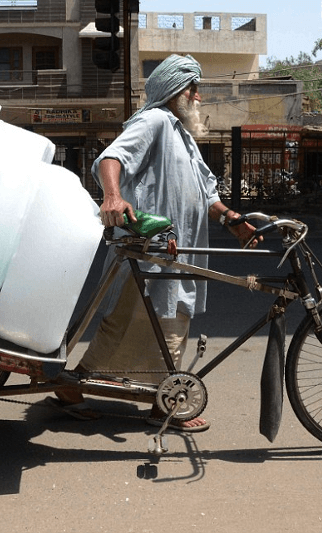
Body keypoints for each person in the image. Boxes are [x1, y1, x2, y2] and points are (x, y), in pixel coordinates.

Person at [49, 54, 260, 432]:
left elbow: (206, 193)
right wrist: (112, 196)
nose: (198, 97)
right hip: (154, 250)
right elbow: (110, 158)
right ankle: (165, 405)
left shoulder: (183, 136)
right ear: (178, 90)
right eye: (194, 89)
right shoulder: (155, 121)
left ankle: (74, 384)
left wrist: (232, 220)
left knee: (128, 323)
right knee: (170, 323)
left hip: (172, 252)